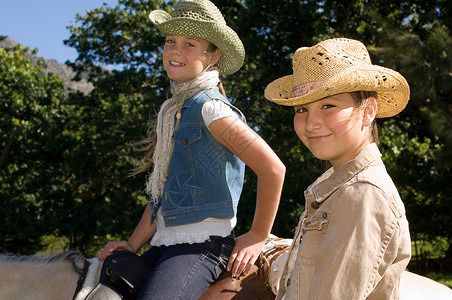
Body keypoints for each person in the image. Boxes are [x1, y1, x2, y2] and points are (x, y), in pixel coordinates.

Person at [97, 0, 286, 299]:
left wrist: (257, 235)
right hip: (166, 244)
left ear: (214, 56)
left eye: (189, 44)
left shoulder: (211, 109)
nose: (174, 50)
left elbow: (273, 168)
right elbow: (162, 193)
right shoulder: (173, 110)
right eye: (170, 41)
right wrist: (133, 245)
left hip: (203, 246)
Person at [264, 38, 411, 299]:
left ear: (367, 112)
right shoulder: (338, 188)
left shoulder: (362, 195)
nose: (310, 124)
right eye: (301, 109)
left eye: (328, 106)